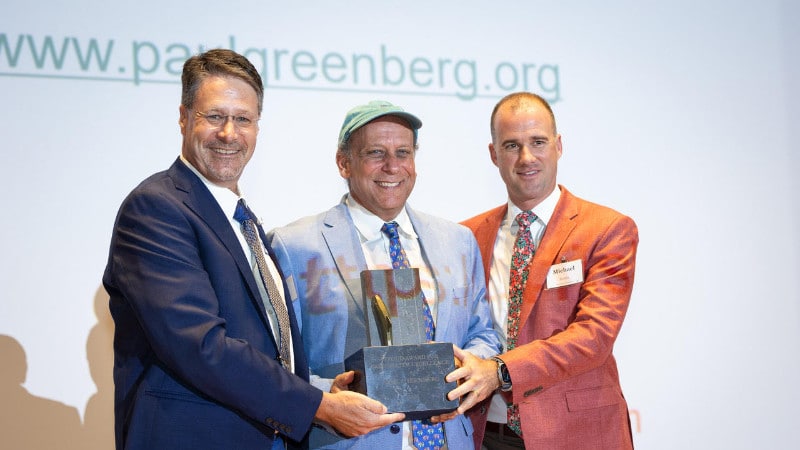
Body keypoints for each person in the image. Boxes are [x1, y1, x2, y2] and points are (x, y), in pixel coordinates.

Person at [103, 49, 403, 450]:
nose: (229, 133)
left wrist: (319, 390)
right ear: (183, 117)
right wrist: (317, 406)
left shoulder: (242, 219)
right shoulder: (156, 208)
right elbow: (200, 346)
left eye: (243, 119)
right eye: (215, 116)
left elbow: (264, 342)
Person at [266, 100, 501, 449]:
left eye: (403, 152)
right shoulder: (293, 245)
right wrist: (322, 398)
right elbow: (274, 357)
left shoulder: (457, 241)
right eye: (375, 152)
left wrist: (477, 370)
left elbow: (482, 332)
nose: (392, 166)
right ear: (343, 162)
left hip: (449, 438)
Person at [446, 92, 638, 449]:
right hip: (484, 434)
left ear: (559, 146)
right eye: (511, 145)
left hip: (576, 433)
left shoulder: (607, 229)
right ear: (493, 154)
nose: (526, 158)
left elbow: (593, 336)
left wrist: (500, 370)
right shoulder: (465, 236)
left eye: (538, 142)